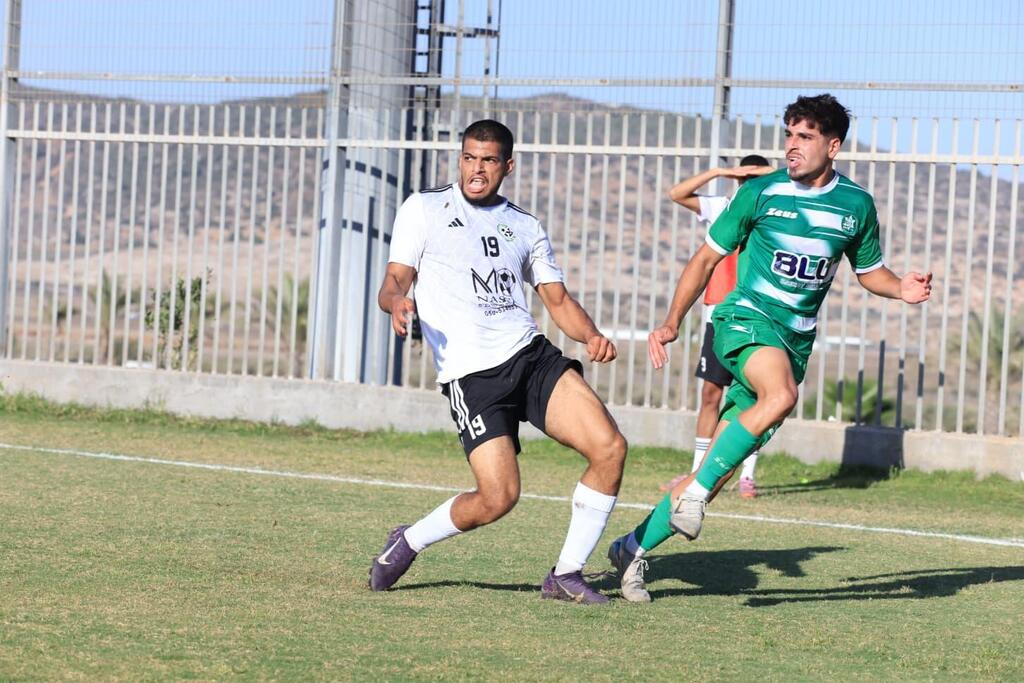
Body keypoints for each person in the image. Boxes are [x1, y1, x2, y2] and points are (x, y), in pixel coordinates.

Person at [606, 94, 932, 603]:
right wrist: (672, 321)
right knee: (780, 397)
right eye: (789, 135)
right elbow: (704, 261)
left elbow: (870, 273)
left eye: (804, 137)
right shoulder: (760, 193)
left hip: (795, 341)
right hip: (743, 321)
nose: (791, 146)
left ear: (833, 145)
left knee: (713, 474)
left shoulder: (856, 205)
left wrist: (901, 288)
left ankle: (632, 548)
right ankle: (691, 496)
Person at [369, 119, 628, 604]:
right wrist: (396, 303)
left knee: (610, 448)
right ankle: (409, 540)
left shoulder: (525, 226)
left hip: (530, 357)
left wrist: (591, 334)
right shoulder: (423, 208)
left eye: (488, 160)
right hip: (472, 375)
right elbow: (394, 281)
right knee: (498, 498)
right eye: (469, 157)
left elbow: (557, 299)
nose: (476, 169)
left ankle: (567, 574)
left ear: (507, 165)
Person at [660, 155, 774, 499]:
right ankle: (698, 469)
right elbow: (676, 193)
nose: (747, 183)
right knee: (711, 394)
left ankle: (746, 476)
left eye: (753, 178)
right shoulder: (723, 206)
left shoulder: (773, 209)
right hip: (717, 315)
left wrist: (764, 174)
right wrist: (721, 171)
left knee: (755, 398)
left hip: (757, 317)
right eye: (743, 178)